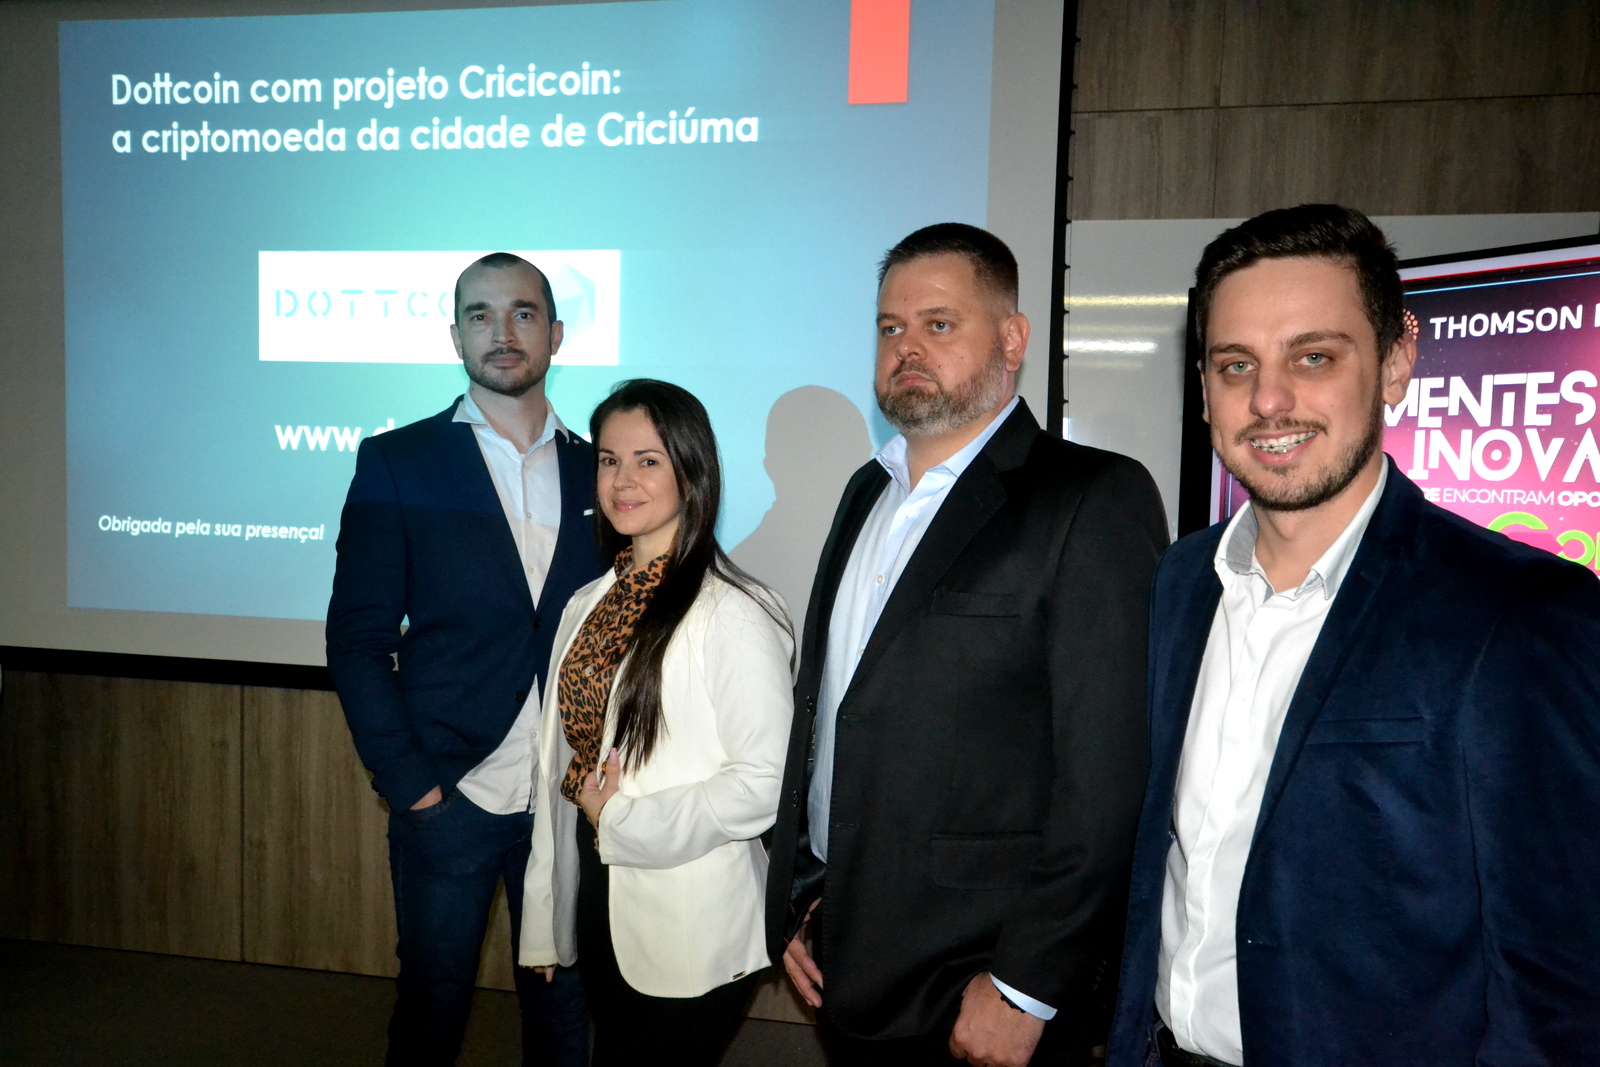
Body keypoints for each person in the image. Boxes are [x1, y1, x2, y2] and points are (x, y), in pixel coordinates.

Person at [1106, 205, 1600, 1067]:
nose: (1268, 400)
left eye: (1314, 357)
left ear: (1395, 364)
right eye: (1236, 364)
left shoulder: (1520, 614)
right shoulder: (1180, 582)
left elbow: (1560, 986)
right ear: (1204, 387)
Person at [766, 223, 1170, 1066]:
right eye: (890, 327)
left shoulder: (1091, 498)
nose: (906, 347)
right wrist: (803, 894)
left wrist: (1028, 984)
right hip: (847, 950)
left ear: (1012, 339)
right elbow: (834, 714)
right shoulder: (866, 490)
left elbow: (1109, 779)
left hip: (982, 981)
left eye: (939, 323)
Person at [326, 253, 600, 1067]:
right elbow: (358, 638)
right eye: (480, 314)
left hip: (569, 801)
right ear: (455, 336)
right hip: (451, 796)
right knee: (432, 1008)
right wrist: (413, 785)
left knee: (565, 1011)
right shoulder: (399, 461)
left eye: (523, 313)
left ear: (556, 334)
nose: (502, 331)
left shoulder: (600, 469)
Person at [518, 378, 795, 1067]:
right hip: (601, 891)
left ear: (691, 472)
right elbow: (561, 768)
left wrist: (623, 822)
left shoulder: (734, 612)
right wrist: (546, 918)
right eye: (609, 460)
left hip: (691, 919)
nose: (623, 480)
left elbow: (765, 783)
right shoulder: (589, 602)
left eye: (648, 460)